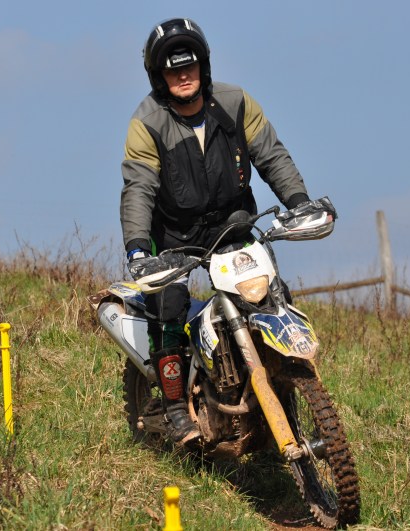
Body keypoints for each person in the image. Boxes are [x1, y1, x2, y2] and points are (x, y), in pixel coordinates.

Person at [120, 18, 311, 445]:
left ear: (203, 66)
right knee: (168, 308)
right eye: (172, 71)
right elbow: (139, 188)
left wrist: (299, 202)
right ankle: (174, 408)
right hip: (173, 233)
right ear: (159, 77)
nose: (183, 76)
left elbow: (272, 156)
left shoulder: (236, 103)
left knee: (270, 295)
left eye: (189, 66)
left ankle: (285, 396)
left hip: (232, 224)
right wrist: (138, 249)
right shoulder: (147, 122)